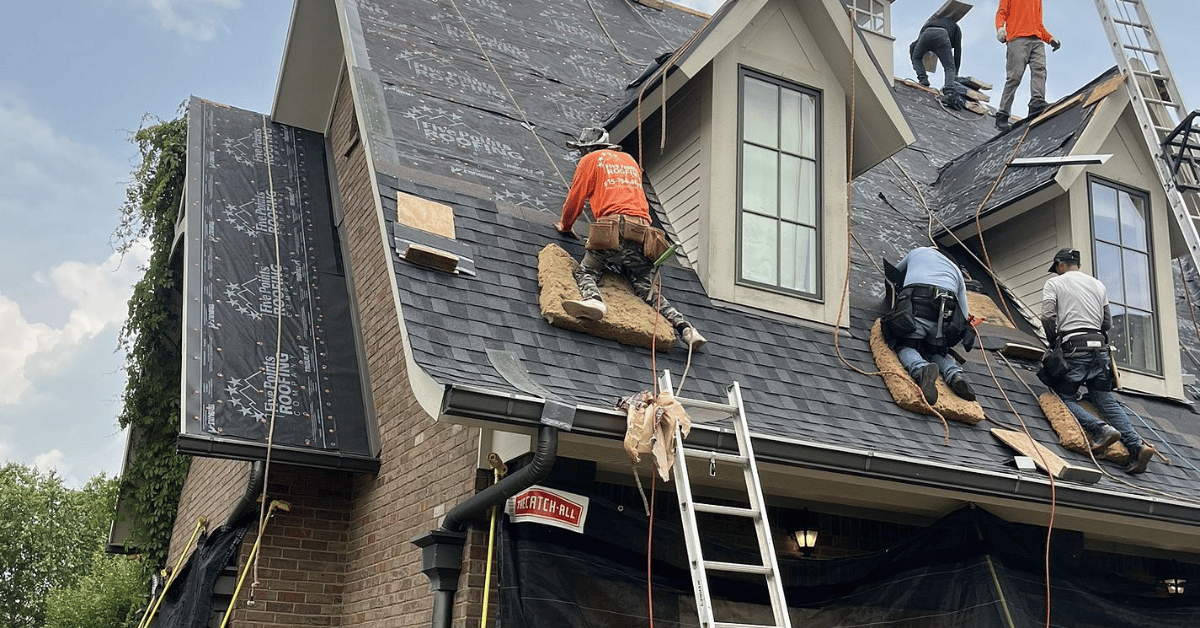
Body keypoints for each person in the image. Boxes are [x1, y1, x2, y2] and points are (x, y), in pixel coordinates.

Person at [555, 127, 707, 350]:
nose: (581, 154)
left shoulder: (590, 161)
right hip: (644, 236)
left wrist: (565, 226)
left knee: (587, 271)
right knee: (647, 291)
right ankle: (685, 328)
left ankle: (594, 301)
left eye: (582, 150)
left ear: (588, 149)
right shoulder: (629, 160)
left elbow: (574, 201)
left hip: (613, 230)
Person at [1040, 247, 1156, 474]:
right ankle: (1136, 445)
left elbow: (1047, 316)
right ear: (1078, 265)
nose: (1056, 272)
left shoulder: (1055, 284)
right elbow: (1106, 324)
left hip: (1075, 347)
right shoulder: (1098, 285)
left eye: (1056, 269)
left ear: (1060, 265)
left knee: (1062, 397)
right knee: (1104, 397)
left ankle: (1101, 429)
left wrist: (1054, 343)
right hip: (1100, 349)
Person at [883, 247, 976, 405]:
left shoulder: (918, 251)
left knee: (906, 345)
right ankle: (955, 375)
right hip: (946, 312)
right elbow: (964, 314)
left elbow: (892, 275)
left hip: (918, 304)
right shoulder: (956, 271)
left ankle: (921, 369)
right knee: (936, 351)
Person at [994, 0, 1061, 131]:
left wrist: (1049, 38)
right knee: (1014, 77)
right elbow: (1001, 13)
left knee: (1040, 70)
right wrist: (1000, 29)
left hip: (1037, 40)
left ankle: (1036, 102)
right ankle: (1002, 114)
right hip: (1017, 39)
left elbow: (1039, 25)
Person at [909, 16, 965, 110]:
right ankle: (949, 92)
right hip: (942, 35)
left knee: (916, 57)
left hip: (926, 34)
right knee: (949, 67)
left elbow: (913, 46)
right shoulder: (956, 28)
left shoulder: (930, 22)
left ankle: (923, 80)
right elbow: (957, 52)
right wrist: (956, 74)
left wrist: (914, 58)